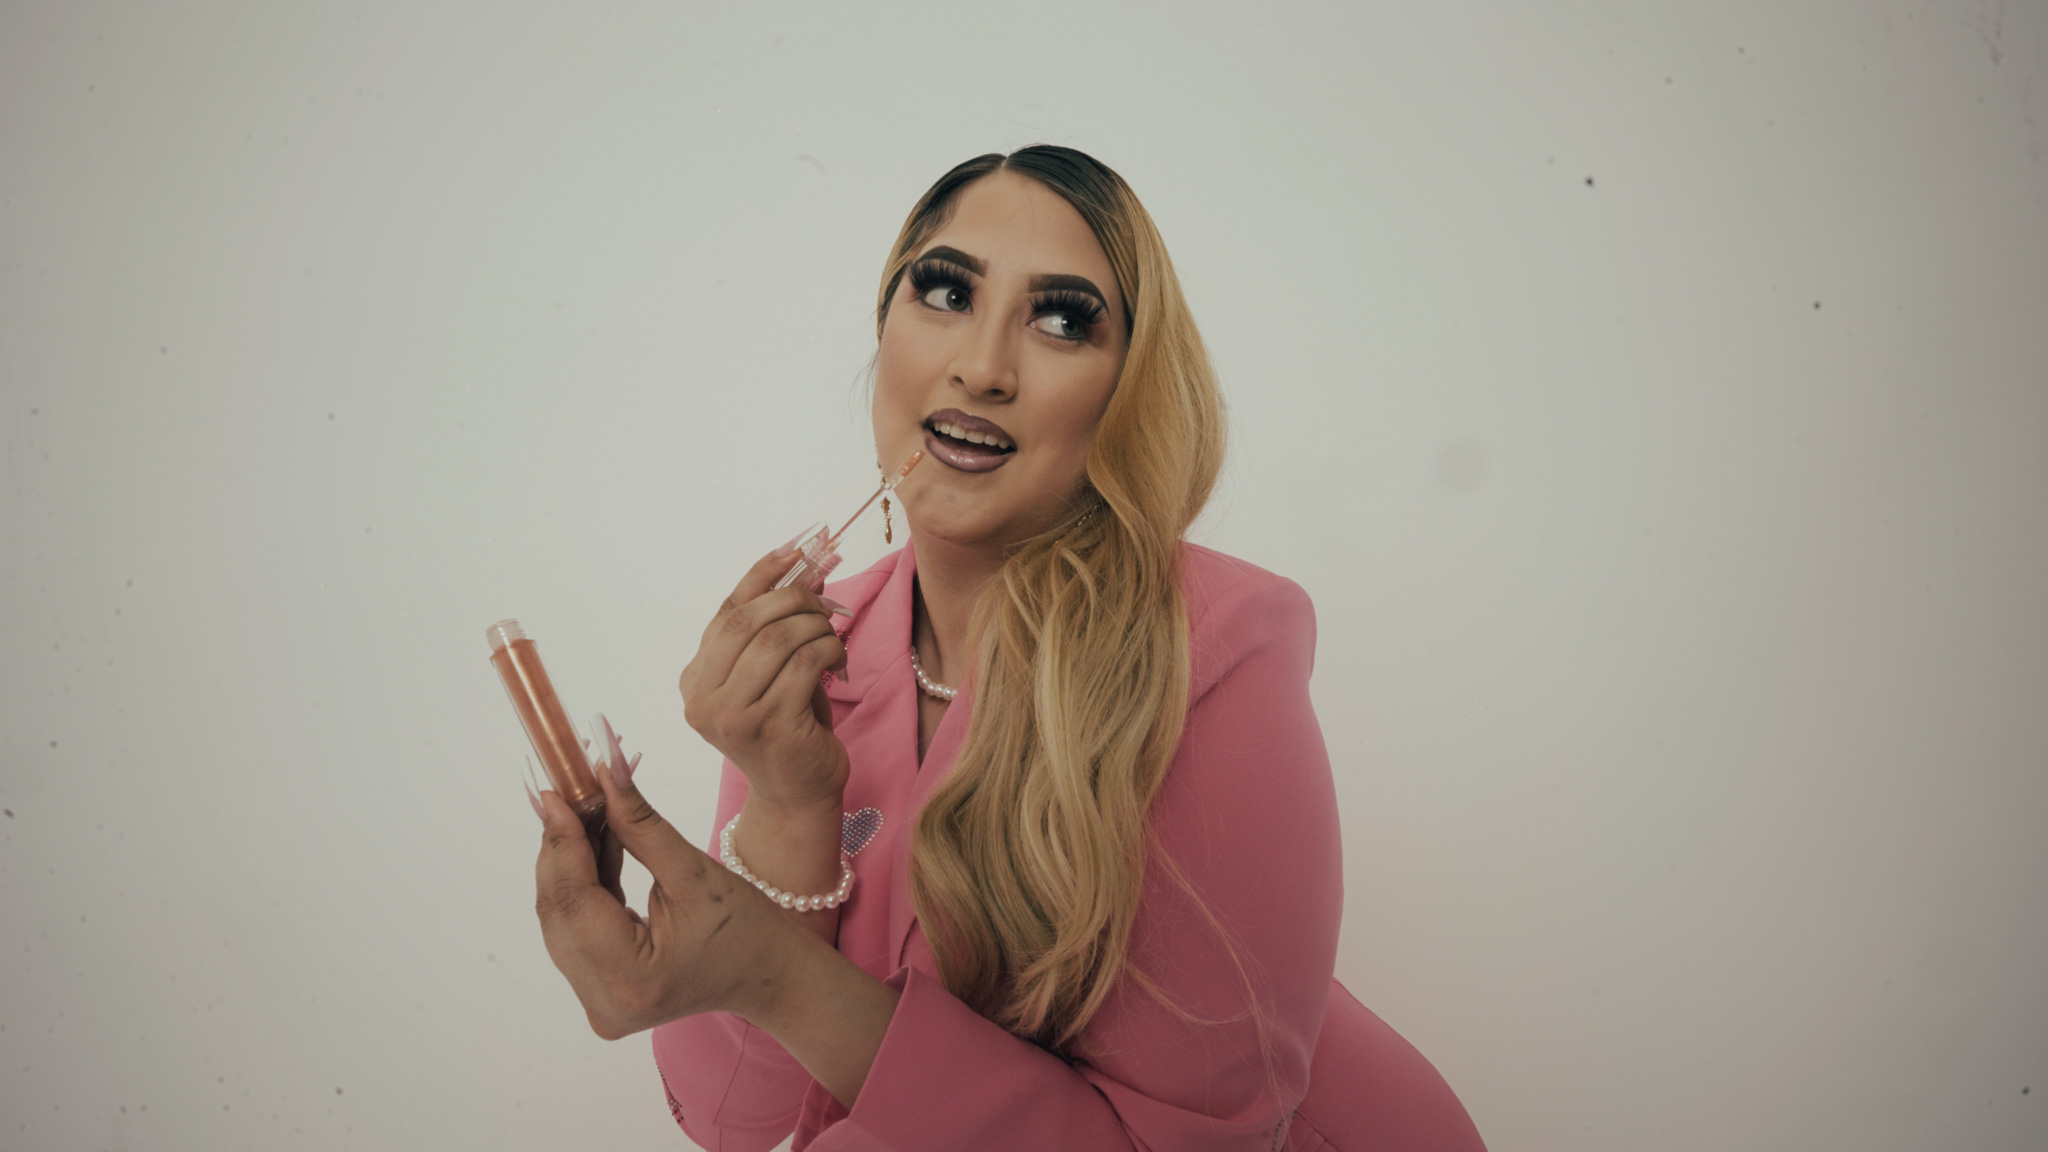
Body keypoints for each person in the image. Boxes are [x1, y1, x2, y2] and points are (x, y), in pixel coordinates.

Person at [529, 145, 1487, 1151]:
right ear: (883, 329)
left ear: (1127, 388)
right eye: (943, 292)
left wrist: (775, 973)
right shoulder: (816, 660)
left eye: (1062, 320)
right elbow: (739, 1119)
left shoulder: (1212, 650)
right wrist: (783, 804)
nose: (981, 367)